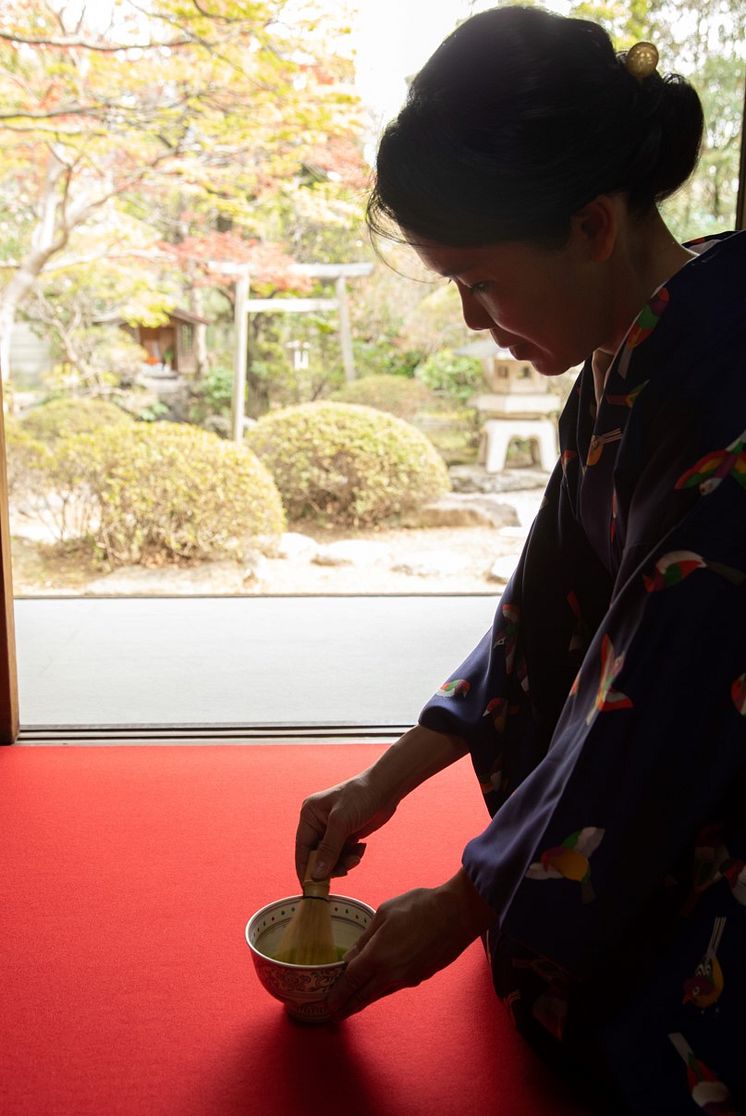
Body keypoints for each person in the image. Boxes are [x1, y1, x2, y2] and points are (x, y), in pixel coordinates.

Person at [293, 7, 746, 1113]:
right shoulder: (613, 364)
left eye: (480, 281)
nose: (467, 320)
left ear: (591, 225)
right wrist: (383, 778)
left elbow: (656, 715)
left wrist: (461, 904)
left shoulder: (730, 421)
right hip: (653, 760)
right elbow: (543, 618)